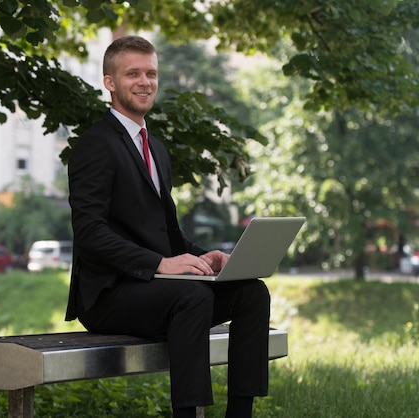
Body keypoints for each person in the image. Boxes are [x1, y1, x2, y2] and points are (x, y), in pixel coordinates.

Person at [65, 35, 270, 418]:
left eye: (151, 74)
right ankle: (187, 414)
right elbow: (90, 235)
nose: (145, 82)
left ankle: (240, 413)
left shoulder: (155, 148)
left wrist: (202, 257)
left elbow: (169, 234)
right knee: (192, 297)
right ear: (110, 82)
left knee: (252, 292)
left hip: (154, 287)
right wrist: (163, 265)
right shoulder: (95, 145)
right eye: (133, 74)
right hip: (109, 295)